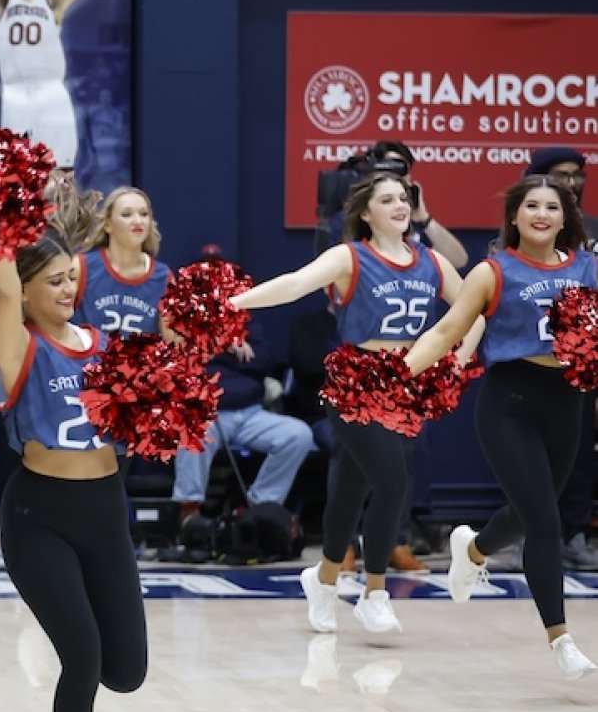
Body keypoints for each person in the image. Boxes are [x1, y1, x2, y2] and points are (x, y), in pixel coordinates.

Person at [230, 173, 476, 634]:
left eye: (403, 198)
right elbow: (293, 284)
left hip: (408, 381)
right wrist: (234, 302)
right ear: (366, 213)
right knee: (391, 482)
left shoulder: (432, 261)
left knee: (351, 487)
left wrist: (458, 357)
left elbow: (471, 310)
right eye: (387, 200)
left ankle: (323, 582)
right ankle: (375, 591)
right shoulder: (350, 257)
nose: (400, 205)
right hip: (356, 380)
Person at [0, 236, 147, 712]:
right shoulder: (20, 346)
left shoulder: (110, 349)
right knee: (82, 654)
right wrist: (0, 227)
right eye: (52, 279)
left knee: (125, 671)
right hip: (39, 516)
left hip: (105, 511)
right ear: (24, 289)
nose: (67, 289)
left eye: (71, 278)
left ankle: (90, 670)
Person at [406, 177, 597, 681]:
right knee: (544, 522)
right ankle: (561, 639)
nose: (541, 214)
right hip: (508, 404)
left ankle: (471, 550)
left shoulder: (588, 268)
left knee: (529, 511)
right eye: (530, 205)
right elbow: (447, 331)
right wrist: (399, 376)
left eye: (551, 207)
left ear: (564, 217)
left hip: (567, 405)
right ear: (514, 217)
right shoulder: (493, 272)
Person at [527, 149, 598, 569]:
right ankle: (531, 534)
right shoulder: (519, 235)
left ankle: (572, 534)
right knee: (531, 457)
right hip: (531, 359)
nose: (572, 183)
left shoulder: (593, 233)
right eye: (561, 176)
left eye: (577, 176)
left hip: (583, 361)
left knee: (579, 455)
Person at [172, 317, 314, 516]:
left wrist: (218, 356)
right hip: (207, 415)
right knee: (192, 432)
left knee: (298, 434)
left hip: (251, 413)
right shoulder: (187, 319)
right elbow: (181, 360)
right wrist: (228, 346)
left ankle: (258, 508)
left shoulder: (244, 321)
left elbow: (264, 359)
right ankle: (190, 511)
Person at [0, 0, 89, 168]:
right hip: (15, 92)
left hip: (51, 90)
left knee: (61, 168)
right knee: (15, 167)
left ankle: (63, 205)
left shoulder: (52, 3)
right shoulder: (6, 1)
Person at [326, 141, 467, 270]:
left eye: (399, 169)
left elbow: (458, 261)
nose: (393, 177)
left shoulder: (413, 219)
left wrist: (424, 218)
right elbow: (338, 273)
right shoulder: (348, 218)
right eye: (388, 168)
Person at [72, 186, 170, 336]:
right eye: (126, 214)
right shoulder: (81, 267)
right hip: (89, 359)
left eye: (144, 214)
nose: (138, 221)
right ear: (108, 224)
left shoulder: (163, 277)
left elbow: (172, 343)